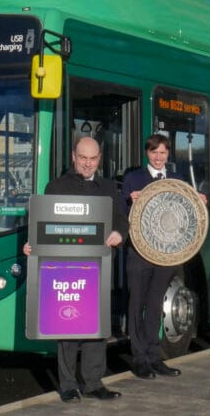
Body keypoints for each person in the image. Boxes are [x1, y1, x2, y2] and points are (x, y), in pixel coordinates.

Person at [23, 137, 129, 402]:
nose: (88, 164)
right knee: (67, 325)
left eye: (93, 159)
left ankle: (93, 382)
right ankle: (68, 384)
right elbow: (43, 223)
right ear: (73, 156)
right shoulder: (55, 186)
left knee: (96, 325)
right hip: (65, 266)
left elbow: (121, 220)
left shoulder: (108, 188)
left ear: (100, 159)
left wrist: (119, 233)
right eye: (83, 158)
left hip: (99, 266)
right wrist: (32, 245)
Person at [121, 133, 206, 379]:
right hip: (139, 253)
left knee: (156, 304)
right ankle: (139, 358)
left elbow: (187, 215)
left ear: (169, 154)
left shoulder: (178, 180)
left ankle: (154, 356)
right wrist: (129, 200)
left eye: (162, 153)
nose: (158, 157)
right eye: (153, 153)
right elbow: (120, 211)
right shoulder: (133, 178)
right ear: (147, 153)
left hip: (166, 255)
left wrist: (198, 201)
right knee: (137, 304)